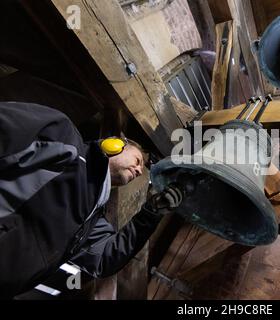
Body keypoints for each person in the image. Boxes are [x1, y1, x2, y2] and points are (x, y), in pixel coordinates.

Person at [0, 101, 182, 298]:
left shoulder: (91, 221)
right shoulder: (63, 138)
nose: (139, 170)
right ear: (115, 145)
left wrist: (150, 214)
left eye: (141, 170)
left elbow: (104, 259)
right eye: (137, 161)